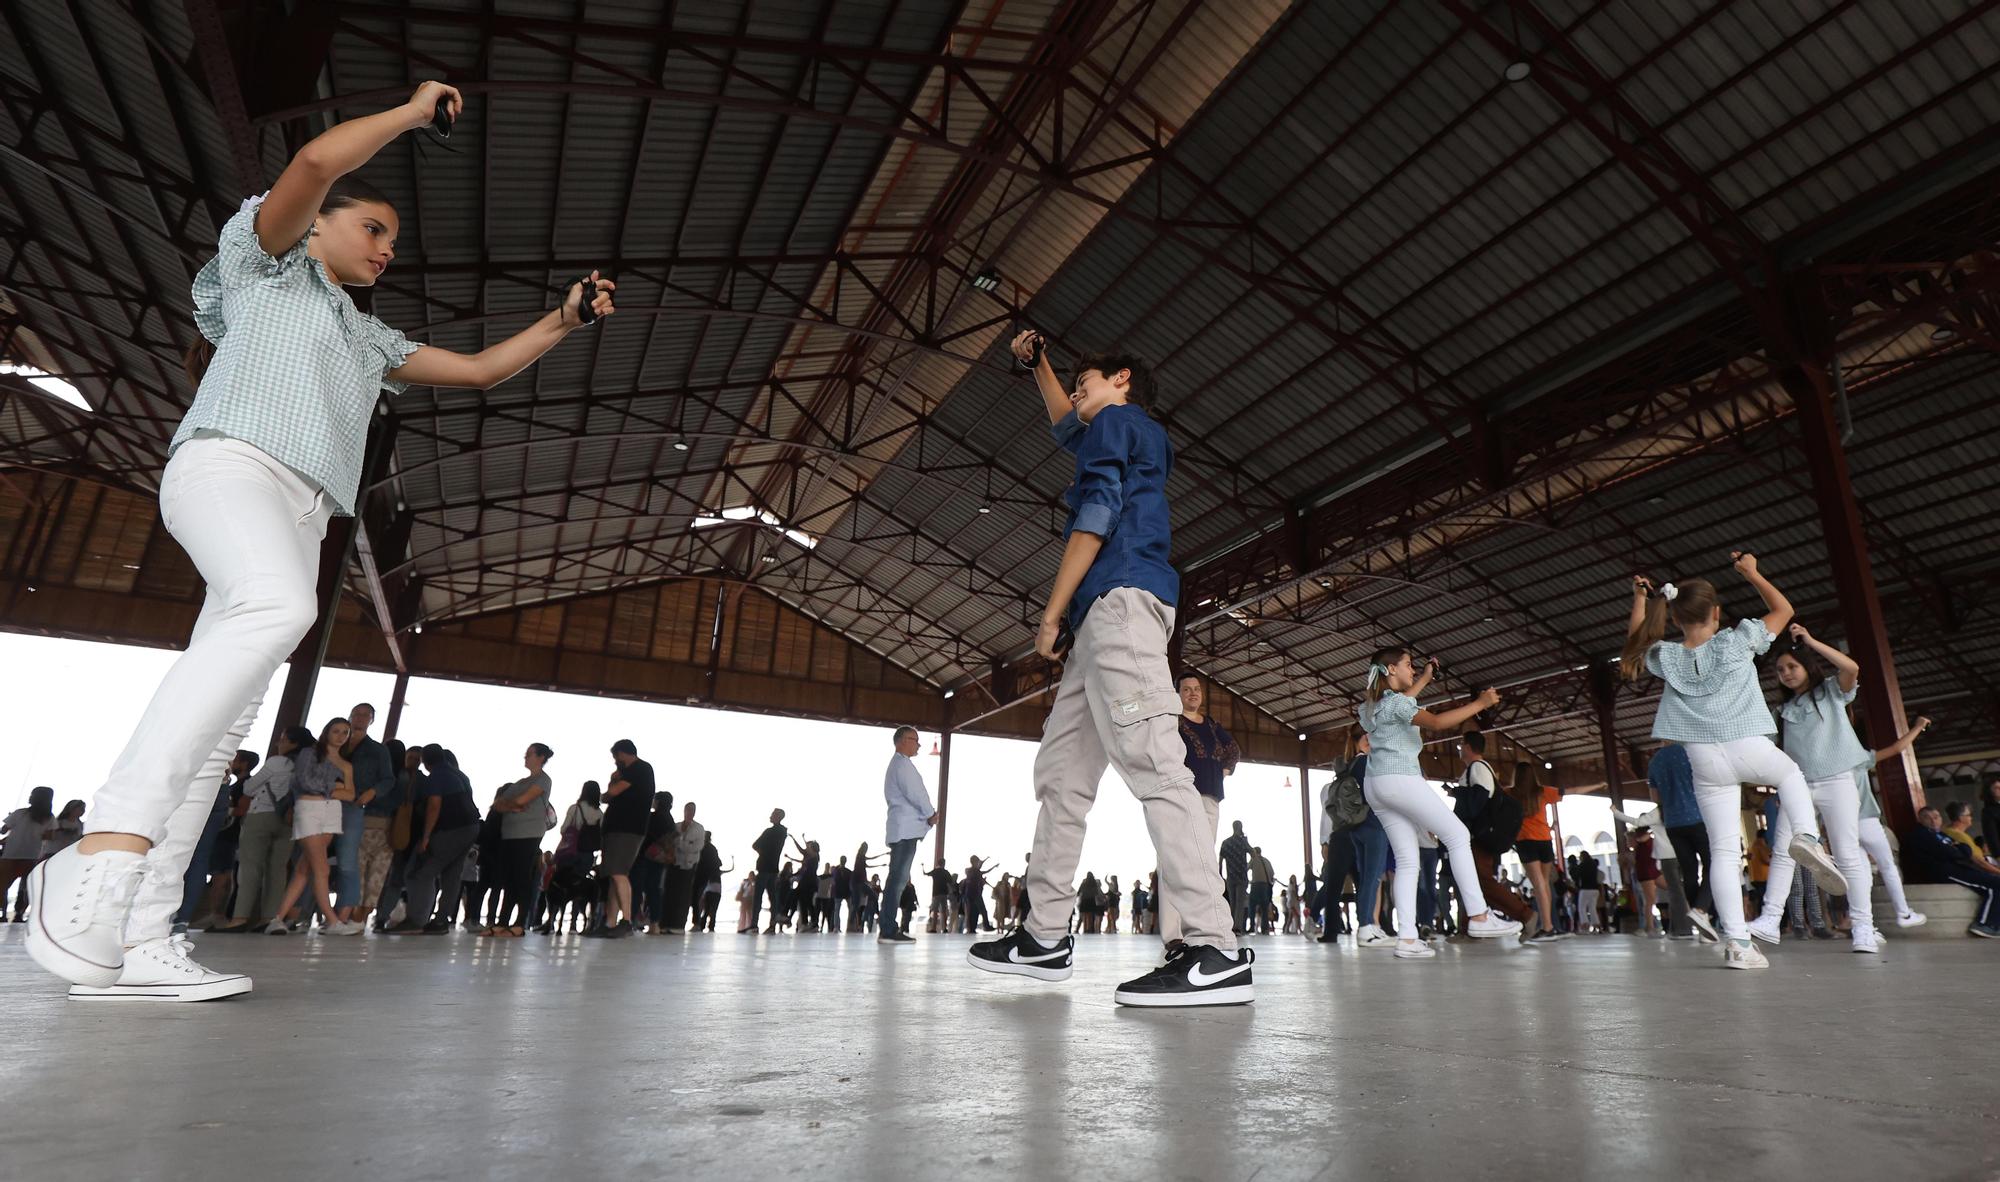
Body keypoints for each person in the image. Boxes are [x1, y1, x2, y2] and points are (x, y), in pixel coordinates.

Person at [25, 80, 616, 998]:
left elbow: (476, 371)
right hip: (231, 471)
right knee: (278, 605)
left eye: (391, 239)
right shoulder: (265, 266)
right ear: (315, 228)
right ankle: (100, 845)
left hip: (302, 512)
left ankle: (138, 940)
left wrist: (561, 322)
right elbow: (311, 163)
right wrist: (416, 112)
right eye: (373, 229)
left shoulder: (366, 338)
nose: (387, 249)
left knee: (226, 726)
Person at [968, 333, 1249, 1006]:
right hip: (1102, 623)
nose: (1075, 390)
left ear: (1121, 379)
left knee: (1156, 762)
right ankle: (1043, 936)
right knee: (1063, 775)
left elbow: (1094, 514)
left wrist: (1049, 615)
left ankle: (1214, 948)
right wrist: (1037, 364)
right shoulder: (1117, 426)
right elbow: (1068, 423)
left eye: (1082, 378)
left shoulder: (1120, 421)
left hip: (1119, 605)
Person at [1620, 558, 1844, 970]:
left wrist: (1639, 600)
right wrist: (1753, 573)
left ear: (1674, 618)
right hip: (1747, 745)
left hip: (1704, 762)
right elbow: (1784, 610)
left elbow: (1635, 638)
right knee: (1790, 774)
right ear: (1716, 612)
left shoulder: (1665, 657)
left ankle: (1739, 944)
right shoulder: (1736, 640)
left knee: (1722, 852)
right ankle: (1808, 839)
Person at [1360, 649, 1523, 958]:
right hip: (1400, 778)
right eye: (1407, 665)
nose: (1411, 670)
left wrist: (1423, 678)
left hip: (1376, 785)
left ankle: (1407, 938)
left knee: (1408, 861)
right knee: (1458, 836)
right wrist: (1479, 704)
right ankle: (1478, 915)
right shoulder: (1396, 703)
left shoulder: (1372, 706)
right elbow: (1435, 722)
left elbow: (1403, 701)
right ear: (1391, 669)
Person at [1746, 625, 1883, 953]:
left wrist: (1809, 642)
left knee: (1848, 853)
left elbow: (1851, 668)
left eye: (1792, 666)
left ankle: (1864, 927)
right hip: (1797, 786)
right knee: (1784, 849)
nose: (1786, 674)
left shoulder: (1833, 692)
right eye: (1780, 670)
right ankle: (1770, 918)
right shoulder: (1781, 712)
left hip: (1837, 781)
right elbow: (1769, 751)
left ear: (1808, 666)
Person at [268, 718, 363, 937]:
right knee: (322, 868)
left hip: (332, 812)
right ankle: (332, 921)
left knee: (305, 869)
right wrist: (334, 786)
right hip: (308, 809)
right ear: (327, 732)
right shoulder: (309, 754)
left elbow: (351, 794)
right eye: (336, 731)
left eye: (345, 733)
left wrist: (329, 790)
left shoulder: (346, 764)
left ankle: (277, 919)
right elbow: (303, 781)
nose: (340, 736)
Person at [1162, 674, 1237, 947]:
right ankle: (1174, 934)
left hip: (1211, 797)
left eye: (1196, 690)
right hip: (1183, 796)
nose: (1192, 694)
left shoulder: (1213, 725)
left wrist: (1223, 771)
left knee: (1205, 863)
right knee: (1175, 860)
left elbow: (1233, 750)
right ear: (1177, 693)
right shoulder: (1171, 722)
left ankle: (1203, 929)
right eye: (1186, 690)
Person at [212, 726, 309, 932]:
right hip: (290, 820)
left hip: (262, 816)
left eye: (283, 739)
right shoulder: (306, 765)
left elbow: (249, 787)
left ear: (293, 743)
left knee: (250, 868)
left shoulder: (277, 762)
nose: (279, 743)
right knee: (277, 871)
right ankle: (269, 918)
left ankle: (239, 917)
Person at [1449, 731, 1533, 938]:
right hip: (1478, 835)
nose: (1460, 748)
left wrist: (1459, 796)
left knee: (1480, 880)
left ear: (1468, 746)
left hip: (1478, 836)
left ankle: (1526, 915)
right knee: (1471, 880)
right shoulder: (1475, 769)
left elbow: (1482, 796)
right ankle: (1468, 928)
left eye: (1461, 744)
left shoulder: (1477, 767)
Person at [390, 746, 481, 934]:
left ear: (425, 761)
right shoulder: (461, 776)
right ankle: (440, 921)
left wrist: (426, 837)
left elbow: (434, 806)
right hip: (471, 828)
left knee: (419, 872)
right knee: (452, 875)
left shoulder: (437, 776)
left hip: (450, 830)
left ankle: (416, 920)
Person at [481, 743, 552, 938]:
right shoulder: (519, 782)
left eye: (529, 754)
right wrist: (511, 805)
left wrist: (511, 804)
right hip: (509, 834)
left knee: (521, 877)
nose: (525, 757)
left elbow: (522, 800)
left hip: (528, 834)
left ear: (541, 757)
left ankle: (520, 923)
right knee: (506, 877)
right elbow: (497, 804)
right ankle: (502, 922)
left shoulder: (543, 780)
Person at [1646, 744, 1715, 940]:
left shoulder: (1655, 761)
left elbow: (1655, 796)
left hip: (1673, 823)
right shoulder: (1691, 752)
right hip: (1697, 817)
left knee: (1689, 872)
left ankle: (1702, 920)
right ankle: (1701, 910)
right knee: (1713, 864)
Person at [336, 703, 393, 926]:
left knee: (354, 864)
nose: (360, 718)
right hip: (330, 804)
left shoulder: (378, 750)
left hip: (359, 808)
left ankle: (354, 914)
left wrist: (372, 792)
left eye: (365, 715)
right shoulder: (337, 745)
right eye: (356, 714)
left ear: (372, 720)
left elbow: (388, 780)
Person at [1903, 807, 2000, 937]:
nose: (1933, 821)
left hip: (1958, 867)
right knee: (1995, 883)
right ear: (1920, 820)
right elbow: (1948, 852)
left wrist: (1957, 850)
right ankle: (1985, 924)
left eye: (1936, 817)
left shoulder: (1940, 834)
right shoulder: (1920, 835)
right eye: (1928, 817)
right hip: (1943, 871)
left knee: (1994, 883)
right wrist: (1956, 850)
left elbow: (1965, 849)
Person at [879, 725, 937, 944]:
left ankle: (888, 927)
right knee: (897, 880)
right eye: (915, 740)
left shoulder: (899, 765)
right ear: (903, 740)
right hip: (905, 830)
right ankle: (888, 929)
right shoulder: (903, 766)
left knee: (896, 879)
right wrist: (931, 814)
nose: (919, 744)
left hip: (903, 829)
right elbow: (916, 793)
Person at [597, 739, 655, 939]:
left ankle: (627, 921)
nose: (615, 761)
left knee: (619, 873)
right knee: (614, 875)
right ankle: (610, 923)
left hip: (628, 829)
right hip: (616, 829)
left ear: (624, 753)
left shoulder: (640, 768)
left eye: (617, 757)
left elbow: (611, 794)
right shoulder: (632, 771)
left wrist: (609, 787)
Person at [1508, 762, 1565, 943]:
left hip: (1526, 841)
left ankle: (1547, 927)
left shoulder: (1511, 793)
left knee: (1539, 885)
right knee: (1544, 884)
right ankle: (1549, 926)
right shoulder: (1543, 791)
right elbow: (1569, 791)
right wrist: (1598, 785)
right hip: (1545, 841)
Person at [0, 788, 56, 918]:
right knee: (26, 888)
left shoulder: (20, 813)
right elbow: (50, 837)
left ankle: (2, 914)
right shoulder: (49, 818)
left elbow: (3, 830)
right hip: (31, 856)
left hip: (11, 855)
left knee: (2, 886)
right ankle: (19, 914)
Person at [665, 801, 707, 933]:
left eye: (692, 810)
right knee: (670, 893)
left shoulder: (699, 829)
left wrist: (681, 844)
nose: (689, 813)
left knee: (683, 895)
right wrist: (683, 844)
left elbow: (696, 847)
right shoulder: (677, 826)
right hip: (674, 863)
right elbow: (670, 842)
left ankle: (679, 925)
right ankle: (666, 923)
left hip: (689, 865)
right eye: (687, 810)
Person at [750, 809, 789, 933]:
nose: (770, 816)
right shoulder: (782, 832)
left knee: (758, 897)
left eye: (773, 814)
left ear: (778, 816)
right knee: (773, 896)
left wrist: (763, 852)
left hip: (764, 867)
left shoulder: (769, 832)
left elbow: (755, 845)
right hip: (774, 868)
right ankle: (772, 925)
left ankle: (754, 925)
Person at [1218, 822, 1252, 936]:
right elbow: (1253, 854)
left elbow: (1221, 860)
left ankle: (1230, 927)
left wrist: (1220, 874)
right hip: (1242, 876)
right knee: (1240, 903)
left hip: (1230, 876)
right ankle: (1237, 928)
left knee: (1232, 903)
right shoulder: (1243, 842)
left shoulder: (1226, 842)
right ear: (1241, 827)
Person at [1631, 827, 1664, 936]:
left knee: (1650, 900)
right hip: (1649, 871)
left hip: (1650, 871)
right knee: (1650, 900)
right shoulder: (1646, 840)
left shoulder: (1640, 841)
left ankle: (1649, 927)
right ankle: (1649, 927)